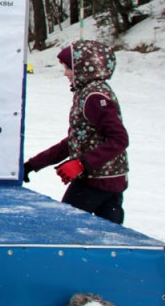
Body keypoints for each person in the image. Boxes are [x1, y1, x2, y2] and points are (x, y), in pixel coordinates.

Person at [24, 39, 129, 224]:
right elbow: (76, 140)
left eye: (68, 68)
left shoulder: (94, 97)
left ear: (84, 68)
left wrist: (82, 163)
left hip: (97, 181)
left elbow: (119, 139)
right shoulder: (86, 93)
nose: (65, 73)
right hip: (103, 179)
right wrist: (33, 164)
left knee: (66, 228)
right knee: (108, 234)